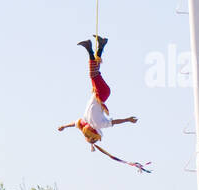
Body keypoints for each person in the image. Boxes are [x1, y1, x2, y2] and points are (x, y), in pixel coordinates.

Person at [58, 36, 147, 171]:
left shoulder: (85, 121)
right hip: (103, 94)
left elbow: (74, 124)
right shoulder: (99, 124)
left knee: (95, 72)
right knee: (93, 74)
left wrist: (64, 126)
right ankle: (90, 48)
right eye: (92, 138)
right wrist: (128, 119)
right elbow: (114, 122)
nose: (89, 136)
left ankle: (100, 45)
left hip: (97, 93)